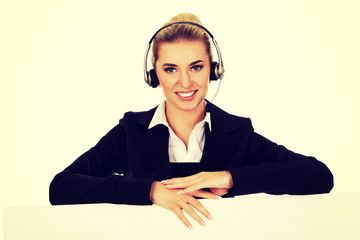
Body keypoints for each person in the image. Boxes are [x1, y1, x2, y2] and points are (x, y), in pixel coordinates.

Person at [49, 13, 333, 229]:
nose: (185, 82)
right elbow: (61, 187)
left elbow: (319, 175)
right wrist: (150, 190)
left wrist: (230, 178)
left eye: (196, 67)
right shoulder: (131, 133)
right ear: (154, 75)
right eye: (170, 69)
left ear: (213, 69)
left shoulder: (237, 132)